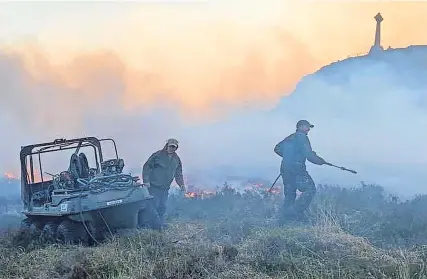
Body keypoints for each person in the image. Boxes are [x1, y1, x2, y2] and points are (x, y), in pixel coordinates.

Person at [274, 120, 327, 223]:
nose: (308, 130)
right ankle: (295, 213)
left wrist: (288, 157)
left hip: (285, 169)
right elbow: (309, 155)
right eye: (307, 127)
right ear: (301, 127)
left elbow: (277, 149)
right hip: (297, 170)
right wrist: (320, 161)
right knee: (310, 189)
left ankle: (285, 220)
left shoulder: (290, 137)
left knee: (290, 194)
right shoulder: (302, 137)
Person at [142, 138, 186, 228]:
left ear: (176, 148)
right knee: (153, 206)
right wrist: (146, 181)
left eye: (174, 147)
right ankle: (151, 225)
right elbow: (147, 167)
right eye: (171, 146)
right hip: (154, 186)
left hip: (165, 188)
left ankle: (160, 225)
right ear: (167, 146)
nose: (172, 148)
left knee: (162, 207)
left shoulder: (176, 159)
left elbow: (178, 174)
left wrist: (181, 185)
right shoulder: (157, 155)